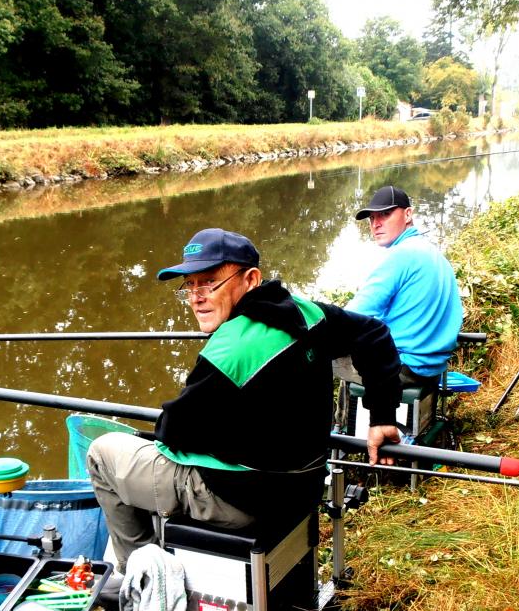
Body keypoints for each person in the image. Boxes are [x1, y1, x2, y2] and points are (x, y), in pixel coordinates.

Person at [86, 227, 403, 575]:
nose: (196, 297)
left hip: (243, 501)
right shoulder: (307, 313)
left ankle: (141, 579)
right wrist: (382, 416)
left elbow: (171, 431)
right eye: (189, 285)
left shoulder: (230, 350)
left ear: (250, 279)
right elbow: (374, 333)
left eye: (209, 282)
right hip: (304, 486)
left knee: (104, 453)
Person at [339, 185, 463, 387]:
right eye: (372, 218)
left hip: (403, 366)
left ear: (407, 214)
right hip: (433, 367)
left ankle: (339, 419)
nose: (376, 224)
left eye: (385, 214)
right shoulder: (435, 255)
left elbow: (350, 317)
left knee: (315, 356)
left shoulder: (400, 255)